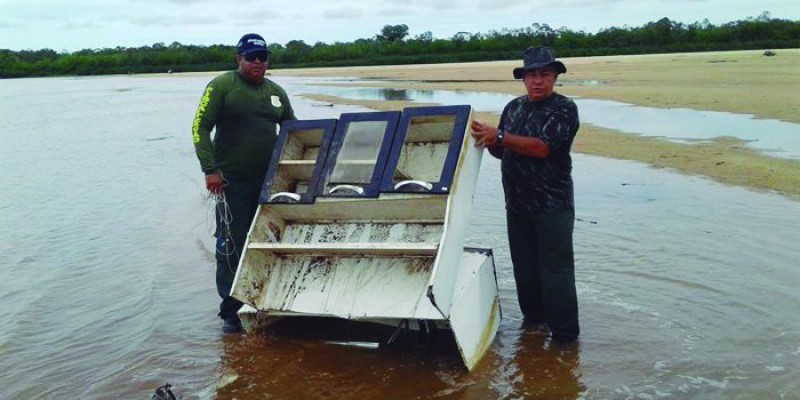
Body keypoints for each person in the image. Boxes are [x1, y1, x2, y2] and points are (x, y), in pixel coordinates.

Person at [471, 46, 580, 342]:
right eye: (531, 75)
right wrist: (487, 140)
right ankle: (532, 329)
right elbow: (501, 150)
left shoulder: (564, 108)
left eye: (545, 74)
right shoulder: (514, 107)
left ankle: (565, 339)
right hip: (516, 205)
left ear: (555, 76)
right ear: (524, 79)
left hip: (552, 206)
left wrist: (501, 136)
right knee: (525, 271)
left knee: (556, 271)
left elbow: (542, 147)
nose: (538, 81)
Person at [192, 33, 296, 333]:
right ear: (238, 59)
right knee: (231, 243)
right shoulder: (222, 86)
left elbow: (293, 128)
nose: (258, 62)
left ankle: (267, 295)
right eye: (251, 57)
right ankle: (231, 309)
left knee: (267, 237)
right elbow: (201, 127)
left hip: (270, 181)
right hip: (232, 181)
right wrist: (210, 169)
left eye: (263, 57)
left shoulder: (276, 92)